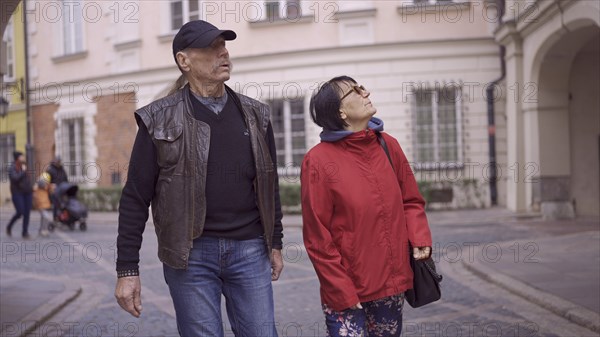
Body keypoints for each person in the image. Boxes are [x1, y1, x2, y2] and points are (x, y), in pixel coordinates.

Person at [114, 20, 284, 337]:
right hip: (190, 256)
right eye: (210, 48)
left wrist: (275, 243)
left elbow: (268, 183)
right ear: (184, 61)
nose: (223, 53)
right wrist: (127, 269)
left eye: (224, 45)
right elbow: (136, 197)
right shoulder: (158, 119)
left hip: (249, 250)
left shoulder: (257, 114)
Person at [301, 76, 433, 336]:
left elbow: (411, 200)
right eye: (355, 90)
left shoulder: (388, 145)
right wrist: (340, 290)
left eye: (362, 87)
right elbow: (318, 236)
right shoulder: (317, 161)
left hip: (390, 283)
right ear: (340, 111)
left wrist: (419, 236)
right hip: (348, 287)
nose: (366, 92)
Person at [6, 151, 33, 239]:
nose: (23, 157)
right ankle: (9, 226)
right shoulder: (12, 167)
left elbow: (28, 180)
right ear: (17, 158)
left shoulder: (24, 166)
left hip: (27, 193)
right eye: (22, 156)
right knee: (20, 212)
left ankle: (25, 232)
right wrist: (23, 172)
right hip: (17, 193)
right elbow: (15, 178)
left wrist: (31, 188)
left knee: (27, 213)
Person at [46, 155, 68, 220]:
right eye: (58, 161)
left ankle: (63, 217)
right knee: (56, 204)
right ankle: (55, 218)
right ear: (55, 161)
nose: (59, 162)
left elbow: (65, 178)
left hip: (62, 189)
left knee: (63, 204)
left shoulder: (62, 169)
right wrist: (51, 185)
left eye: (59, 161)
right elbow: (46, 181)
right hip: (54, 190)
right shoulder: (50, 169)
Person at [32, 172, 53, 237]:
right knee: (46, 217)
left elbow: (51, 191)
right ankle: (43, 230)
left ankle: (42, 230)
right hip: (40, 205)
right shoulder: (38, 187)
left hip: (44, 204)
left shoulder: (45, 187)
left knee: (44, 217)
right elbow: (35, 196)